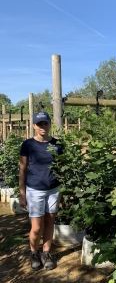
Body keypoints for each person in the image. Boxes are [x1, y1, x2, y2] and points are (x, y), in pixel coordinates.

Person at [19, 111, 63, 271]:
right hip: (35, 190)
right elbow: (22, 170)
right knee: (36, 227)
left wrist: (63, 191)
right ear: (34, 126)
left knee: (50, 222)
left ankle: (46, 253)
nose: (43, 126)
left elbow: (61, 168)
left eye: (46, 123)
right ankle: (34, 253)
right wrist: (22, 194)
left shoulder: (58, 144)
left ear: (50, 124)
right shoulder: (28, 145)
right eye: (40, 124)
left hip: (54, 189)